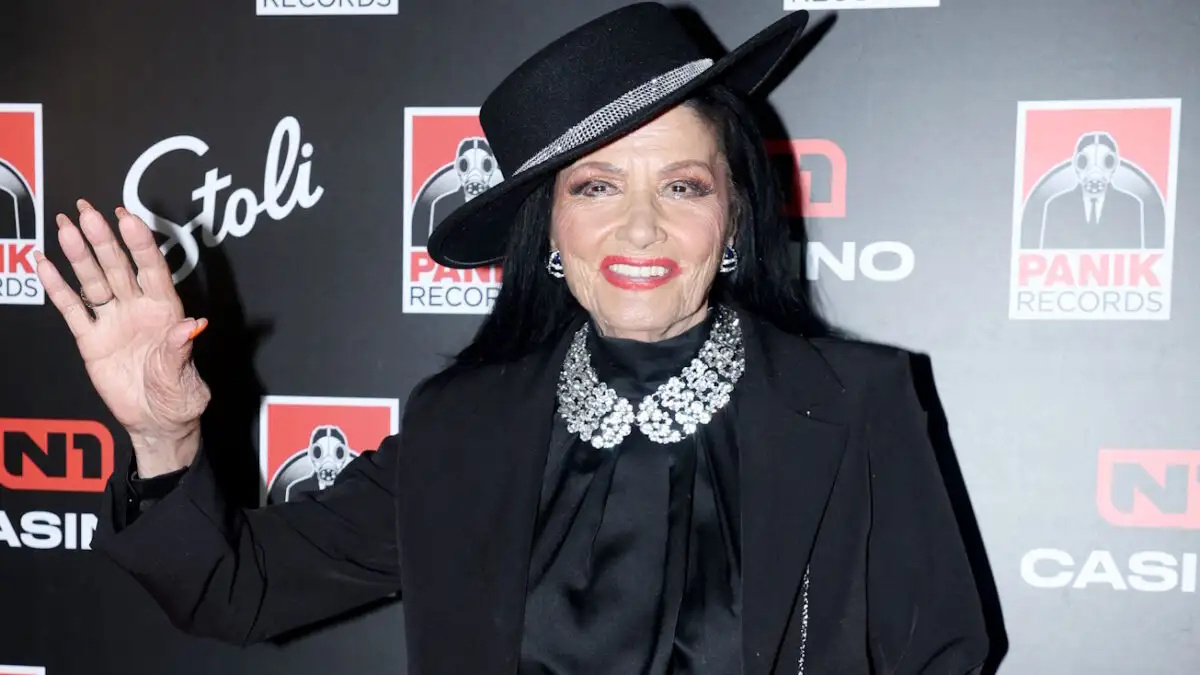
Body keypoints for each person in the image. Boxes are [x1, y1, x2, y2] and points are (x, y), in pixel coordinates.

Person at [34, 3, 990, 673]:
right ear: (552, 230)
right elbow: (235, 591)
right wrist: (161, 435)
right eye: (597, 186)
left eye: (683, 186)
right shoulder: (463, 428)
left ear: (733, 216)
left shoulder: (855, 400)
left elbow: (945, 655)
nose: (642, 229)